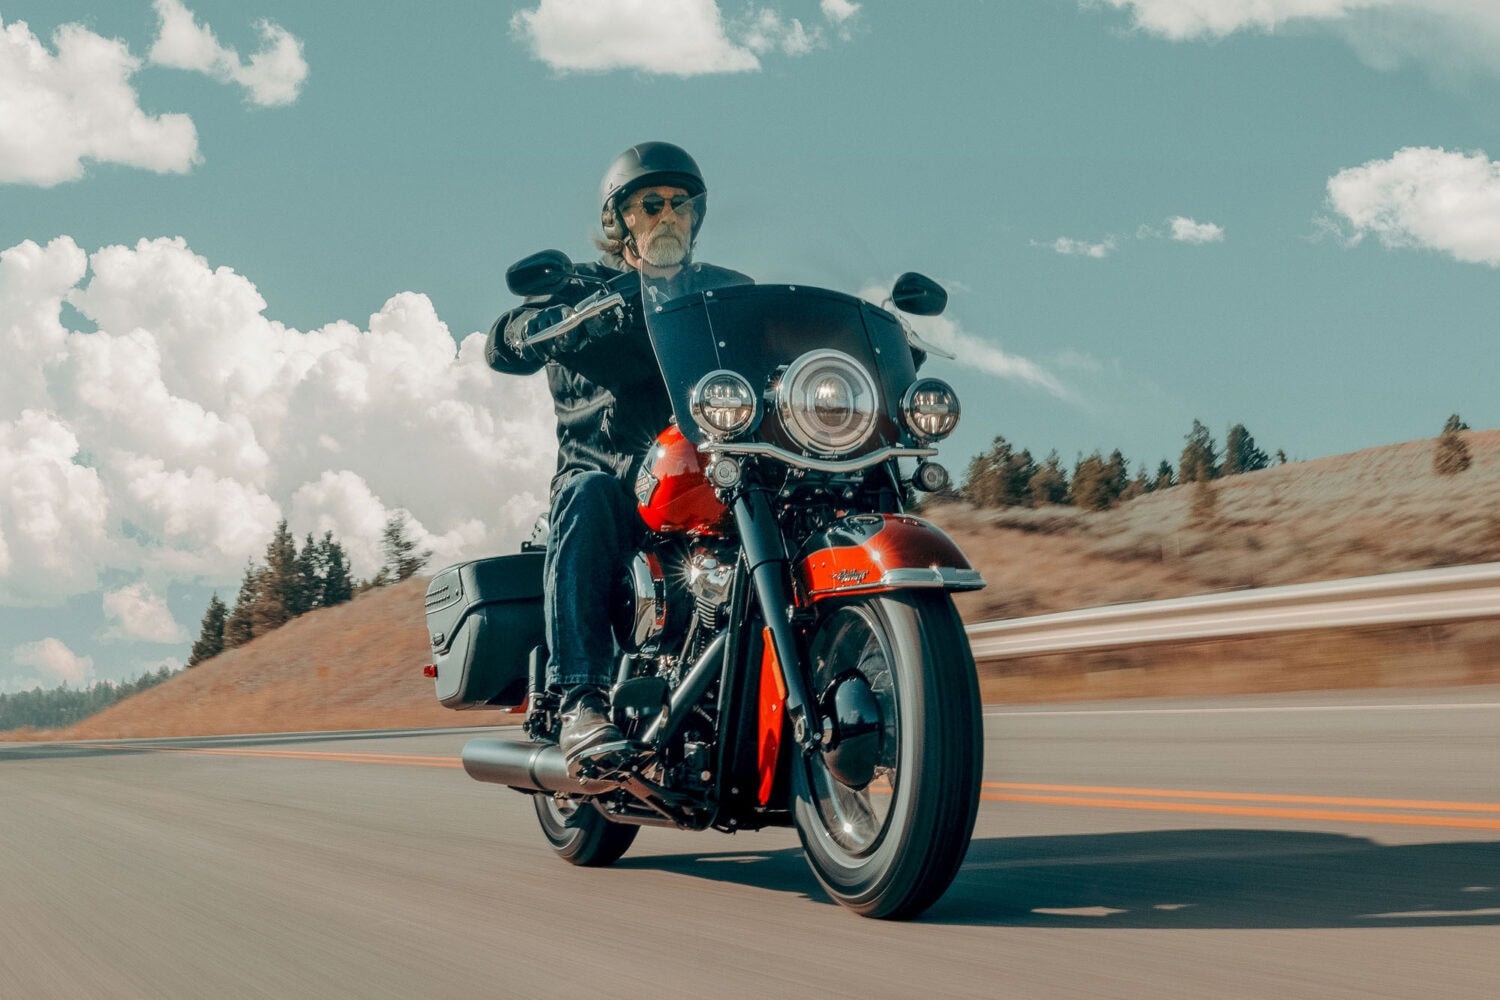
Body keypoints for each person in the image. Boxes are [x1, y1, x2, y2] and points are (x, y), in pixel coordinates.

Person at [486, 142, 750, 770]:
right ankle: (579, 697)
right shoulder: (584, 288)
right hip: (615, 488)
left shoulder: (727, 291)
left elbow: (786, 339)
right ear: (618, 221)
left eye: (679, 205)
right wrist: (561, 324)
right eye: (649, 205)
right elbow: (504, 341)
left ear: (696, 216)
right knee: (587, 494)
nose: (667, 217)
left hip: (709, 479)